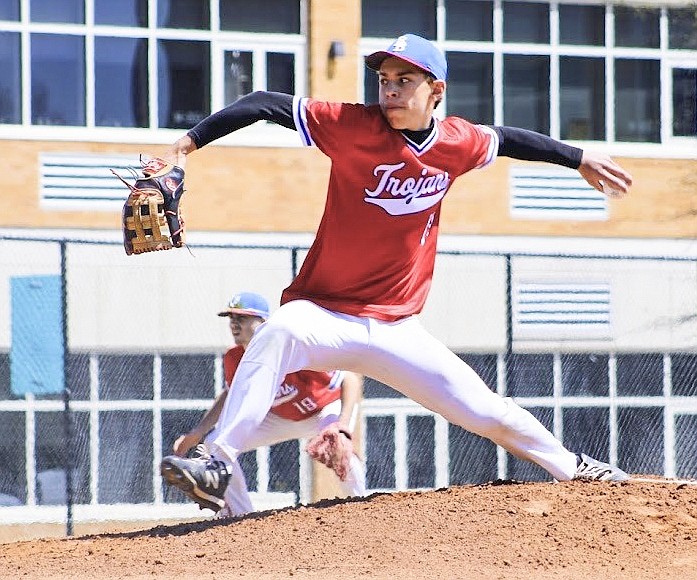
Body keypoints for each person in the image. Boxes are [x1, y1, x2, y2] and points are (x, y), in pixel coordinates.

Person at [160, 33, 633, 511]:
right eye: (384, 79)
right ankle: (218, 460)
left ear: (436, 91)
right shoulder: (351, 126)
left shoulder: (456, 142)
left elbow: (508, 138)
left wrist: (578, 157)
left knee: (486, 411)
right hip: (324, 316)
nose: (389, 90)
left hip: (397, 328)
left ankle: (573, 468)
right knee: (277, 330)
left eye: (404, 80)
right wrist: (184, 145)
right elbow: (263, 103)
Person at [163, 291, 366, 516]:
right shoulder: (234, 357)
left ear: (262, 323)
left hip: (321, 411)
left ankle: (361, 509)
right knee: (214, 443)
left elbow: (349, 379)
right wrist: (198, 432)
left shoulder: (292, 348)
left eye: (241, 318)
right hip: (278, 418)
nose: (234, 324)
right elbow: (231, 395)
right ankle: (240, 516)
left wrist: (343, 423)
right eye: (231, 318)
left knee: (338, 444)